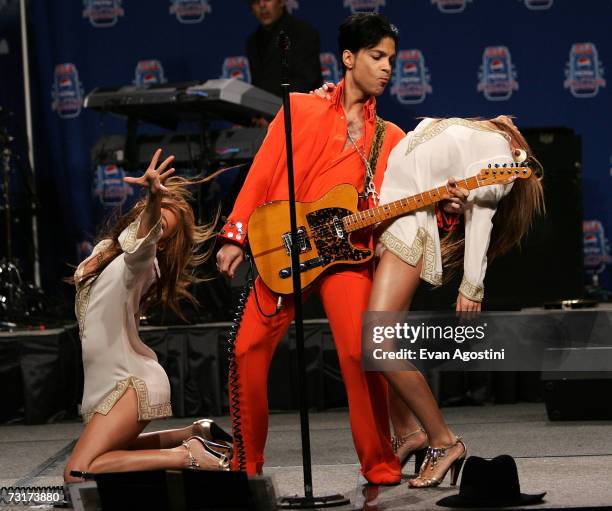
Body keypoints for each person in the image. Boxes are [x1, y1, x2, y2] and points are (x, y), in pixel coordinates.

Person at [216, 13, 464, 483]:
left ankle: (381, 464)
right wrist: (235, 233)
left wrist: (446, 206)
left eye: (391, 59)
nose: (387, 68)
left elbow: (411, 208)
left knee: (359, 352)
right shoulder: (298, 109)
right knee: (246, 349)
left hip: (346, 259)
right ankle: (244, 466)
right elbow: (261, 174)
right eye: (376, 57)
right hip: (283, 250)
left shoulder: (391, 139)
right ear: (349, 59)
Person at [368, 115, 544, 487]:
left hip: (407, 226)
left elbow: (480, 217)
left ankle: (443, 441)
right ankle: (408, 432)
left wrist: (471, 285)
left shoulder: (500, 162)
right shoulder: (471, 137)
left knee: (377, 345)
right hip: (391, 220)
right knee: (386, 343)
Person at [64, 149, 232, 482]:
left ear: (163, 243)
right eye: (150, 209)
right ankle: (191, 434)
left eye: (162, 227)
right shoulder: (105, 251)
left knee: (77, 472)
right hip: (109, 382)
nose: (151, 218)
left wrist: (154, 200)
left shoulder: (141, 264)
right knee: (111, 456)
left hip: (130, 383)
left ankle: (186, 455)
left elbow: (141, 242)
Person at [246, 0, 322, 97]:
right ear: (251, 8)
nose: (262, 5)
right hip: (264, 109)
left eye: (267, 0)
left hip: (299, 107)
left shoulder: (304, 32)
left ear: (281, 2)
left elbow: (306, 81)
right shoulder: (252, 42)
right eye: (256, 1)